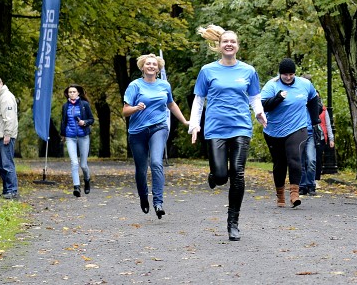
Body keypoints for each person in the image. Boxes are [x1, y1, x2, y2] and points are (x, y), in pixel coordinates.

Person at [190, 24, 266, 241]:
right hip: (215, 128)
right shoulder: (207, 71)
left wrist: (259, 113)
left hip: (241, 126)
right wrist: (194, 124)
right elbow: (199, 100)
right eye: (226, 41)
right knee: (222, 176)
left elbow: (254, 97)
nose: (229, 44)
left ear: (237, 46)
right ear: (219, 46)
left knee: (238, 173)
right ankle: (215, 175)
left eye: (233, 41)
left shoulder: (248, 71)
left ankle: (233, 223)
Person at [123, 54, 189, 219]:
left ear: (158, 69)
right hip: (137, 131)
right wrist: (136, 108)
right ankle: (143, 196)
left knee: (156, 162)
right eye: (148, 64)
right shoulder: (135, 85)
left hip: (159, 128)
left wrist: (184, 121)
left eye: (154, 64)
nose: (151, 66)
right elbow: (125, 111)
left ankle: (158, 202)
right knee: (141, 169)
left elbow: (171, 104)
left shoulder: (164, 85)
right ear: (143, 67)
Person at [261, 58, 320, 208]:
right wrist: (278, 98)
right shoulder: (271, 85)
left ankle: (295, 193)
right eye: (285, 74)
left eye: (291, 74)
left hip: (298, 128)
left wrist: (315, 120)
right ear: (280, 74)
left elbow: (313, 100)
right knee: (280, 163)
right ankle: (280, 195)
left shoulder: (305, 84)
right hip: (274, 130)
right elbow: (263, 106)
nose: (288, 77)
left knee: (294, 158)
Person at [60, 84, 95, 198]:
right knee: (74, 163)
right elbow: (63, 121)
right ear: (68, 94)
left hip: (83, 136)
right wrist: (63, 134)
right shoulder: (65, 106)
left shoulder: (84, 105)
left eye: (74, 92)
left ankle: (87, 180)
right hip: (70, 137)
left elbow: (91, 119)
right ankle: (76, 187)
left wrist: (84, 122)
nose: (72, 94)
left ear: (78, 93)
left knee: (83, 165)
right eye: (70, 92)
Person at [299, 75, 322, 196]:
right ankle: (302, 186)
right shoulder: (297, 95)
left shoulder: (314, 96)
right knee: (300, 162)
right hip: (298, 132)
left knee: (311, 160)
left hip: (310, 132)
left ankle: (311, 184)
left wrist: (313, 100)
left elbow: (319, 110)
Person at [314, 93, 334, 185]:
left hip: (321, 137)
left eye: (318, 97)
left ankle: (316, 179)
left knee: (318, 159)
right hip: (310, 136)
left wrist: (331, 138)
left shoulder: (324, 109)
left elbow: (328, 124)